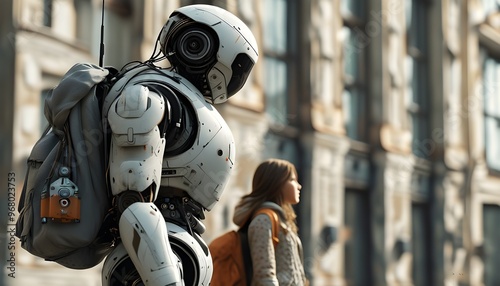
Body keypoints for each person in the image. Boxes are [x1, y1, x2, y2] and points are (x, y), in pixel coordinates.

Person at [233, 158, 308, 285]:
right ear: (276, 183)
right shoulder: (264, 220)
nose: (299, 186)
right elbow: (264, 276)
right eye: (292, 180)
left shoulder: (282, 220)